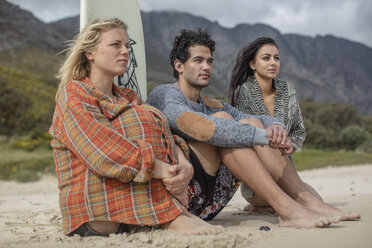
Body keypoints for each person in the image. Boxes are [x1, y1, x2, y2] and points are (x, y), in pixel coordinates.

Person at [147, 29, 360, 228]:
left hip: (210, 203)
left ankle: (306, 200)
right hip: (181, 197)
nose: (206, 67)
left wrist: (275, 126)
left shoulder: (209, 103)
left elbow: (251, 118)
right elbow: (198, 127)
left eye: (210, 61)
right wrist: (263, 137)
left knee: (249, 123)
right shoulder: (164, 95)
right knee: (226, 124)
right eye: (198, 60)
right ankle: (287, 209)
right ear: (179, 66)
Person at [49, 18, 223, 237]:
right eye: (116, 45)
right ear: (90, 52)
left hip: (133, 205)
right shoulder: (74, 93)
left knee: (143, 121)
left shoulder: (128, 97)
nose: (125, 51)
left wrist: (180, 159)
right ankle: (171, 217)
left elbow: (161, 130)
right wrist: (163, 170)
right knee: (132, 127)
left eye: (127, 46)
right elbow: (103, 151)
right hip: (96, 212)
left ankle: (173, 215)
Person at [229, 37, 309, 213]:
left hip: (286, 172)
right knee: (303, 201)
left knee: (315, 199)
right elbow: (245, 137)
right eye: (266, 58)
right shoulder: (244, 92)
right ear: (252, 64)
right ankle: (259, 203)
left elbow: (299, 131)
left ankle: (264, 207)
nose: (273, 63)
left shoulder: (288, 89)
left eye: (276, 58)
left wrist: (288, 147)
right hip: (258, 180)